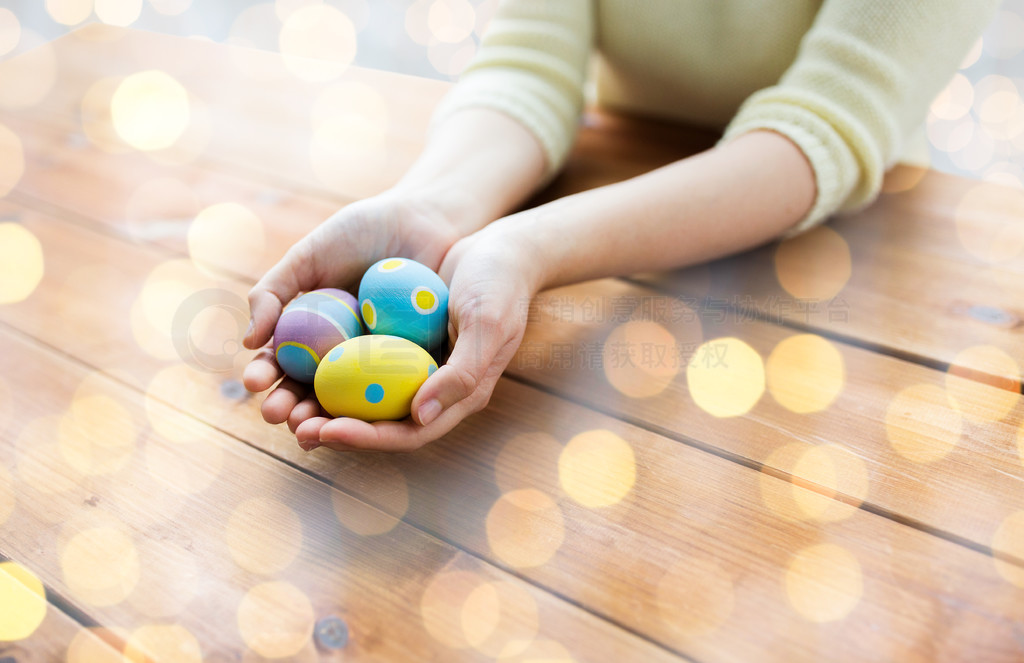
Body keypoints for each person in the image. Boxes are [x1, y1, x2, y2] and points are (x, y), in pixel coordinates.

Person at [243, 0, 997, 452]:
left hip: (855, 283)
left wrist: (529, 244)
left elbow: (827, 127)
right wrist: (434, 209)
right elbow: (528, 66)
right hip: (625, 228)